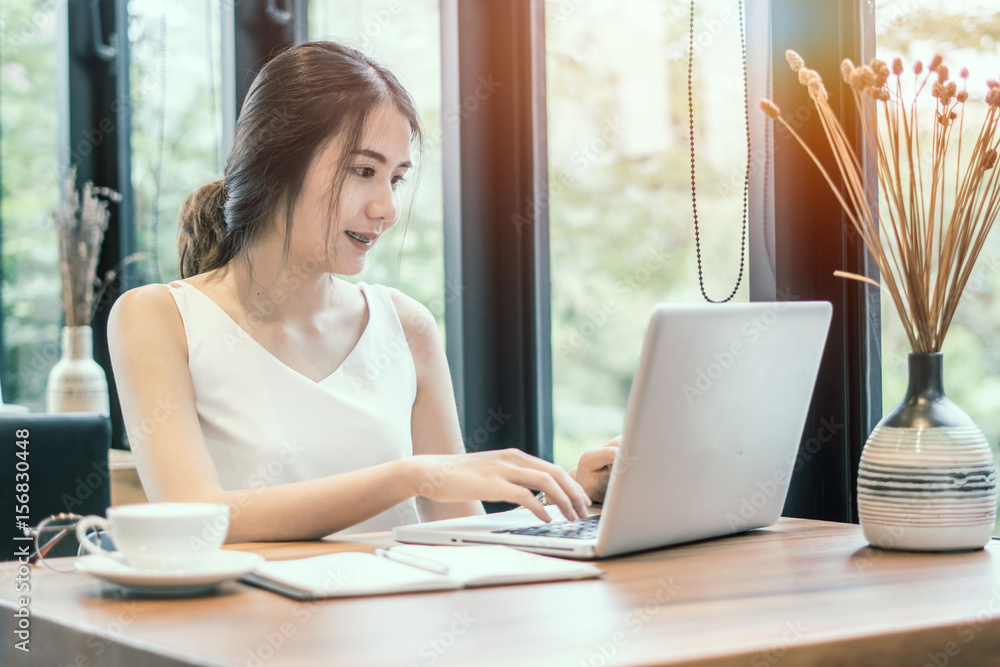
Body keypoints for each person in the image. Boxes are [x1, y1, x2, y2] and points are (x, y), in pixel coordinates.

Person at [108, 40, 618, 544]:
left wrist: (567, 492)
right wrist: (410, 475)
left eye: (396, 179)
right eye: (363, 171)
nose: (387, 208)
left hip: (402, 622)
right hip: (251, 624)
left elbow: (460, 535)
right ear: (275, 163)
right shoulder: (157, 317)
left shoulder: (406, 325)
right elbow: (196, 515)